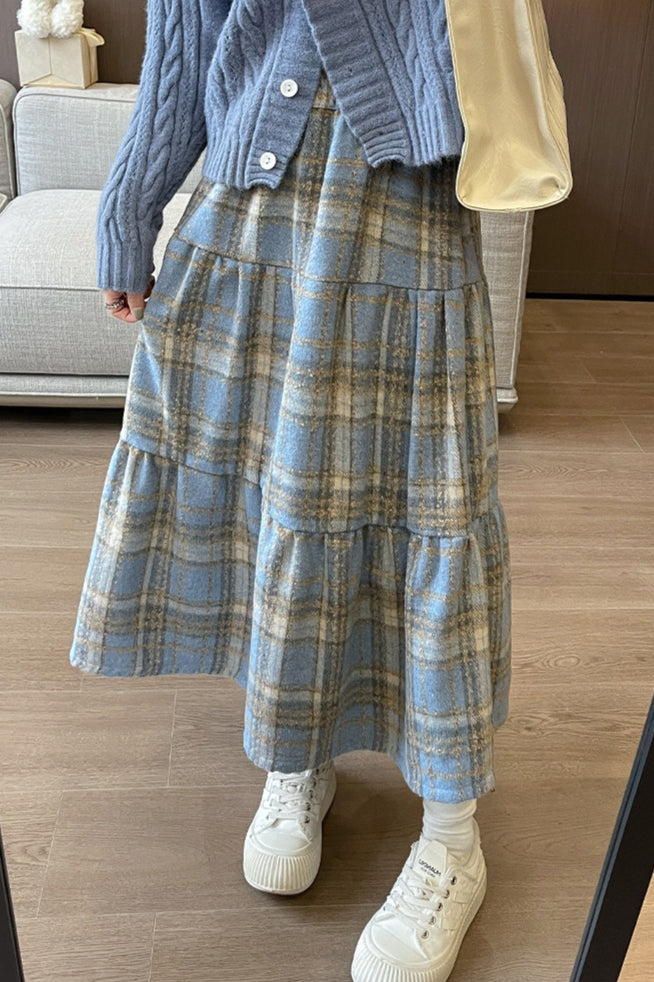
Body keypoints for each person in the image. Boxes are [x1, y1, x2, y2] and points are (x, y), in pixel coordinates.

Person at [69, 2, 512, 980]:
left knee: (430, 508)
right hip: (248, 213)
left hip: (407, 209)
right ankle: (298, 752)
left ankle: (453, 836)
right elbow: (185, 41)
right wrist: (128, 209)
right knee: (278, 501)